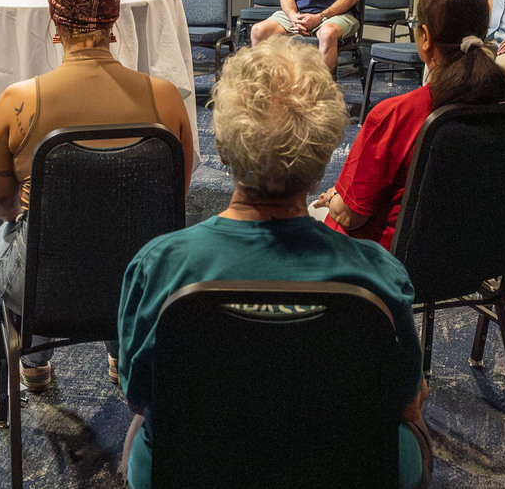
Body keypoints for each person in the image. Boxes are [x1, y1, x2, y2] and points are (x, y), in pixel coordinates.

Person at [117, 36, 425, 489]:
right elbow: (407, 400)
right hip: (345, 470)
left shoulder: (159, 266)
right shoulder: (377, 273)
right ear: (322, 161)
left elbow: (139, 396)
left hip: (195, 470)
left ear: (222, 151)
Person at [0, 0, 197, 391]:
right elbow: (173, 201)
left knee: (22, 236)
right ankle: (123, 348)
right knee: (131, 235)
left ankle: (34, 356)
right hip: (143, 277)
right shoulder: (165, 99)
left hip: (47, 285)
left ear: (53, 21)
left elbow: (0, 203)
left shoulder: (17, 101)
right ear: (114, 18)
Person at [315, 0, 505, 250]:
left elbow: (351, 215)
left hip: (391, 266)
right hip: (477, 255)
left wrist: (334, 197)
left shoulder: (395, 114)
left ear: (425, 37)